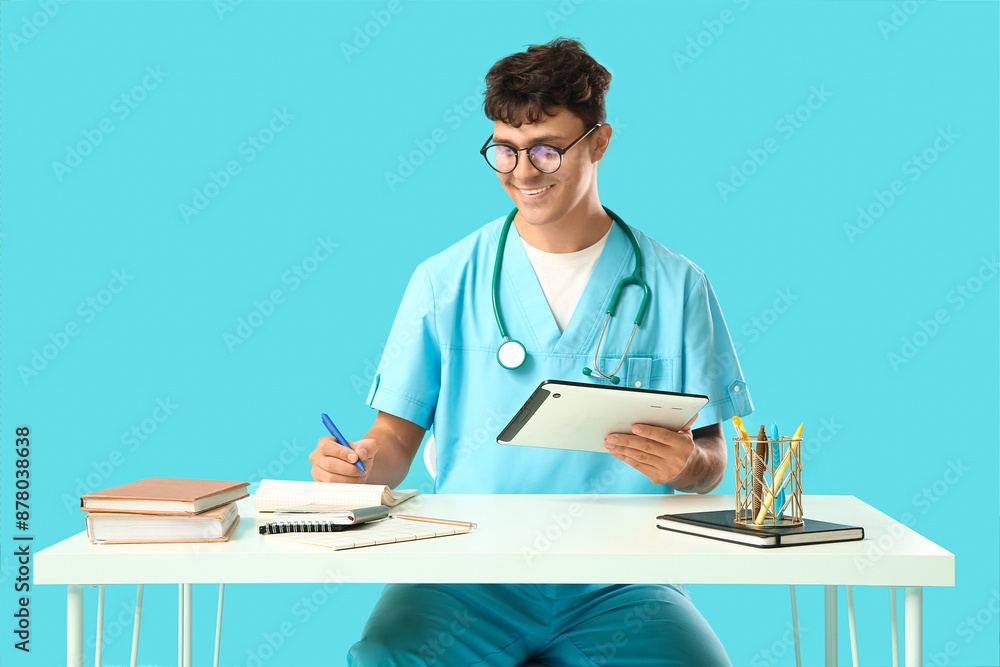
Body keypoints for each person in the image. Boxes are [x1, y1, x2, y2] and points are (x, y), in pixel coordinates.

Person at [309, 37, 752, 666]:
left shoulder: (678, 286)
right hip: (465, 570)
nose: (523, 172)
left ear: (599, 142)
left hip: (621, 579)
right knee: (385, 657)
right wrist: (356, 463)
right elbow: (394, 442)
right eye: (505, 151)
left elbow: (712, 457)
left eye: (547, 149)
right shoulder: (443, 280)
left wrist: (686, 466)